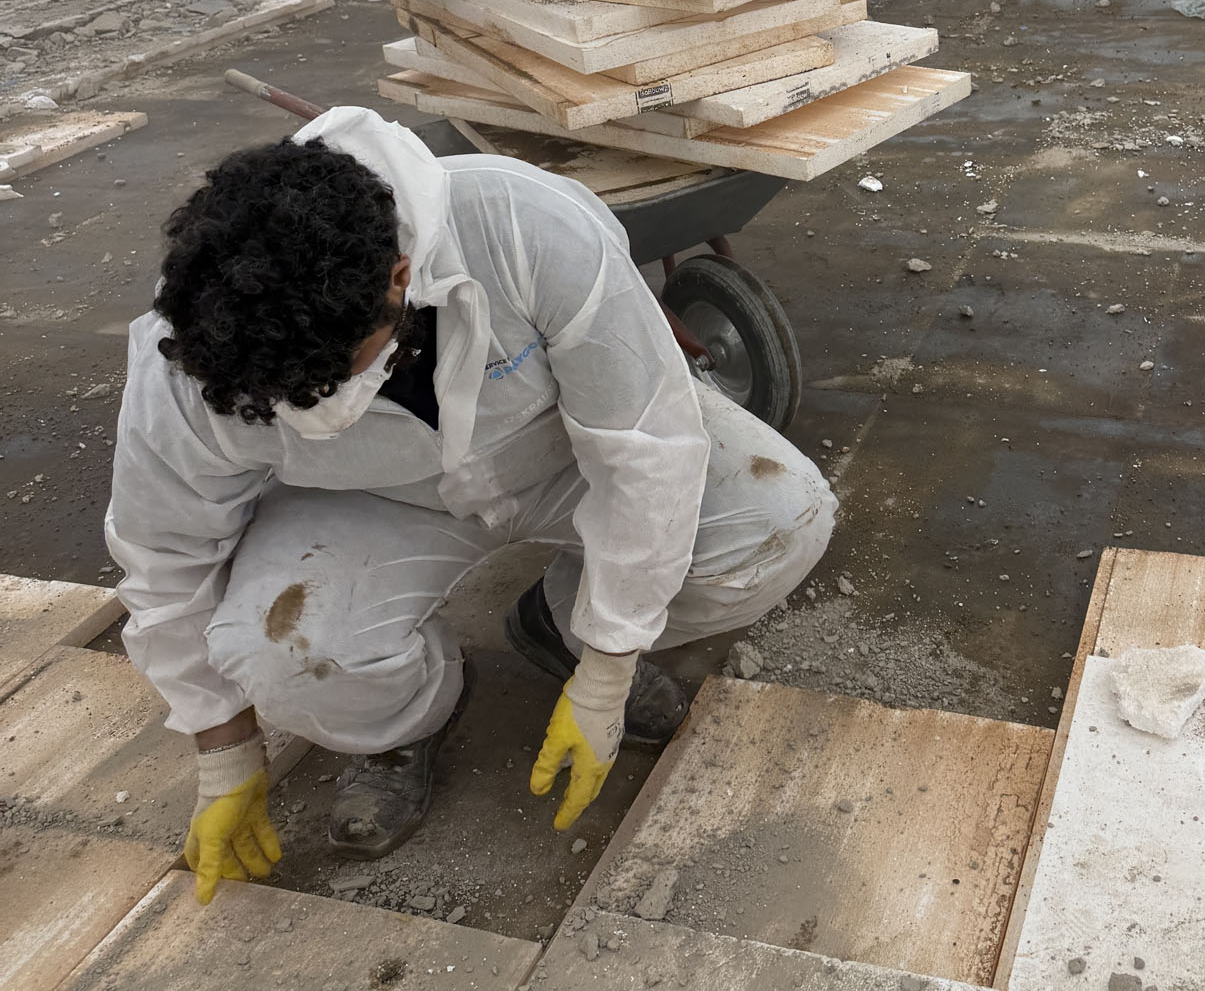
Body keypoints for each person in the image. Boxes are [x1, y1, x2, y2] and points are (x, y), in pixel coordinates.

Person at [105, 108, 835, 903]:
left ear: (398, 278)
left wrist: (607, 662)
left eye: (329, 379)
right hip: (371, 497)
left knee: (778, 517)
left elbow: (643, 449)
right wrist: (223, 750)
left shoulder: (527, 229)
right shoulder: (191, 357)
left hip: (559, 451)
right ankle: (406, 725)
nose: (310, 405)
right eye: (283, 399)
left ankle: (560, 628)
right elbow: (166, 557)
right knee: (283, 654)